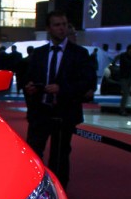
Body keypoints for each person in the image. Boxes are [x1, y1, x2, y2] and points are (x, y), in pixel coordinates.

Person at [23, 10, 96, 188]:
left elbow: (86, 82)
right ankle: (33, 188)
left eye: (64, 24)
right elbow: (29, 77)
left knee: (60, 154)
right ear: (49, 28)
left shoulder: (79, 54)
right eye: (57, 25)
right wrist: (30, 87)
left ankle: (59, 191)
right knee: (33, 152)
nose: (62, 28)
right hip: (40, 111)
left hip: (65, 112)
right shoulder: (39, 54)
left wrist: (62, 89)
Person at [118, 44, 131, 115]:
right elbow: (129, 65)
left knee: (126, 94)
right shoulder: (124, 56)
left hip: (128, 77)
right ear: (129, 49)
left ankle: (123, 109)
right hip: (124, 77)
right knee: (125, 93)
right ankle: (122, 110)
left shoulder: (129, 57)